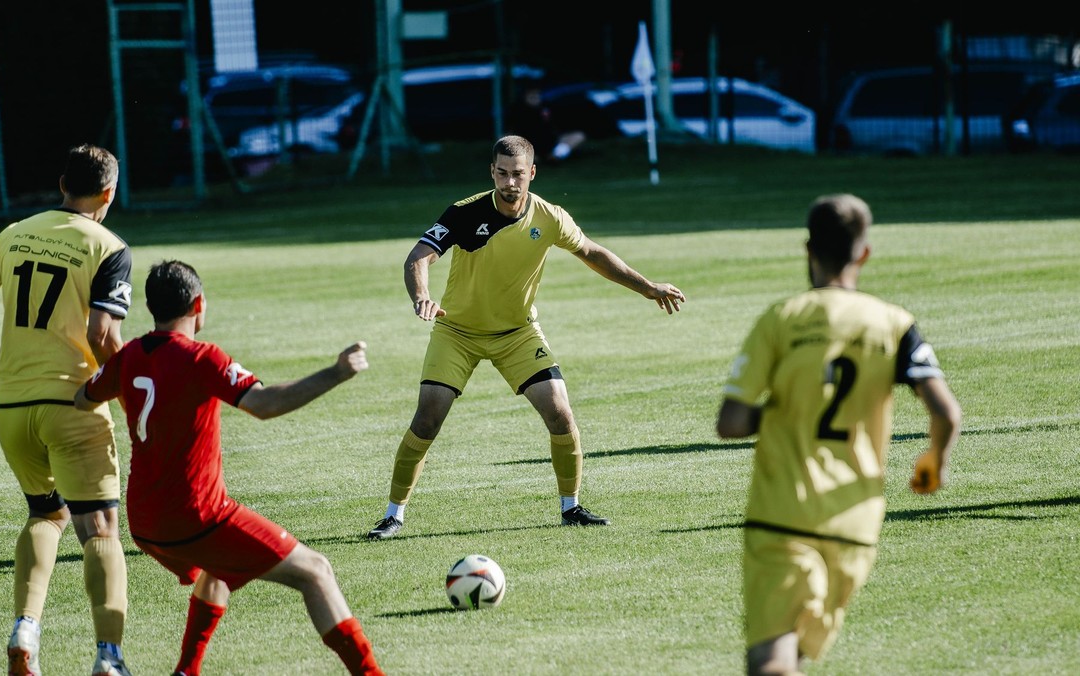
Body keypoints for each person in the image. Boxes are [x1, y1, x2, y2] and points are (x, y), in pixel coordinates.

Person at [366, 134, 687, 540]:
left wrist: (648, 287)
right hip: (457, 332)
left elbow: (592, 252)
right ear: (492, 172)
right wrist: (422, 296)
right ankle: (393, 515)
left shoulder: (549, 217)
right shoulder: (465, 213)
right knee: (427, 419)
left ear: (532, 173)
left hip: (517, 332)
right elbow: (419, 256)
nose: (510, 183)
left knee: (560, 412)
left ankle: (570, 507)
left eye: (518, 174)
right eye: (502, 173)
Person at [75, 260, 382, 676]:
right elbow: (265, 404)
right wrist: (337, 372)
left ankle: (187, 670)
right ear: (199, 305)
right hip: (197, 516)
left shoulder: (129, 355)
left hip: (145, 522)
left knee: (216, 571)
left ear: (151, 308)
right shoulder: (202, 357)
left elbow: (84, 397)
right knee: (316, 571)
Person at [715, 193, 962, 675]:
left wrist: (782, 416)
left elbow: (731, 423)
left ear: (807, 248)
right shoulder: (895, 323)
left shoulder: (782, 319)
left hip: (784, 513)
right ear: (863, 252)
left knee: (771, 660)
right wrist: (935, 461)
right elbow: (947, 412)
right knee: (799, 656)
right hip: (856, 524)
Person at [0, 144, 133, 676]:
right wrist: (125, 391)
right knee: (98, 528)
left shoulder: (14, 233)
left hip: (12, 407)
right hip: (73, 402)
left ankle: (25, 629)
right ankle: (108, 658)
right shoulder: (108, 245)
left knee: (44, 513)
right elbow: (103, 334)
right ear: (109, 193)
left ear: (60, 184)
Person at [506, 85, 587, 162]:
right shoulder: (518, 110)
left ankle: (555, 155)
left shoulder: (546, 107)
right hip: (529, 145)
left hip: (551, 143)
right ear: (525, 96)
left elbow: (557, 126)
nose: (535, 97)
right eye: (531, 95)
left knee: (578, 136)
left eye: (537, 94)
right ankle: (532, 158)